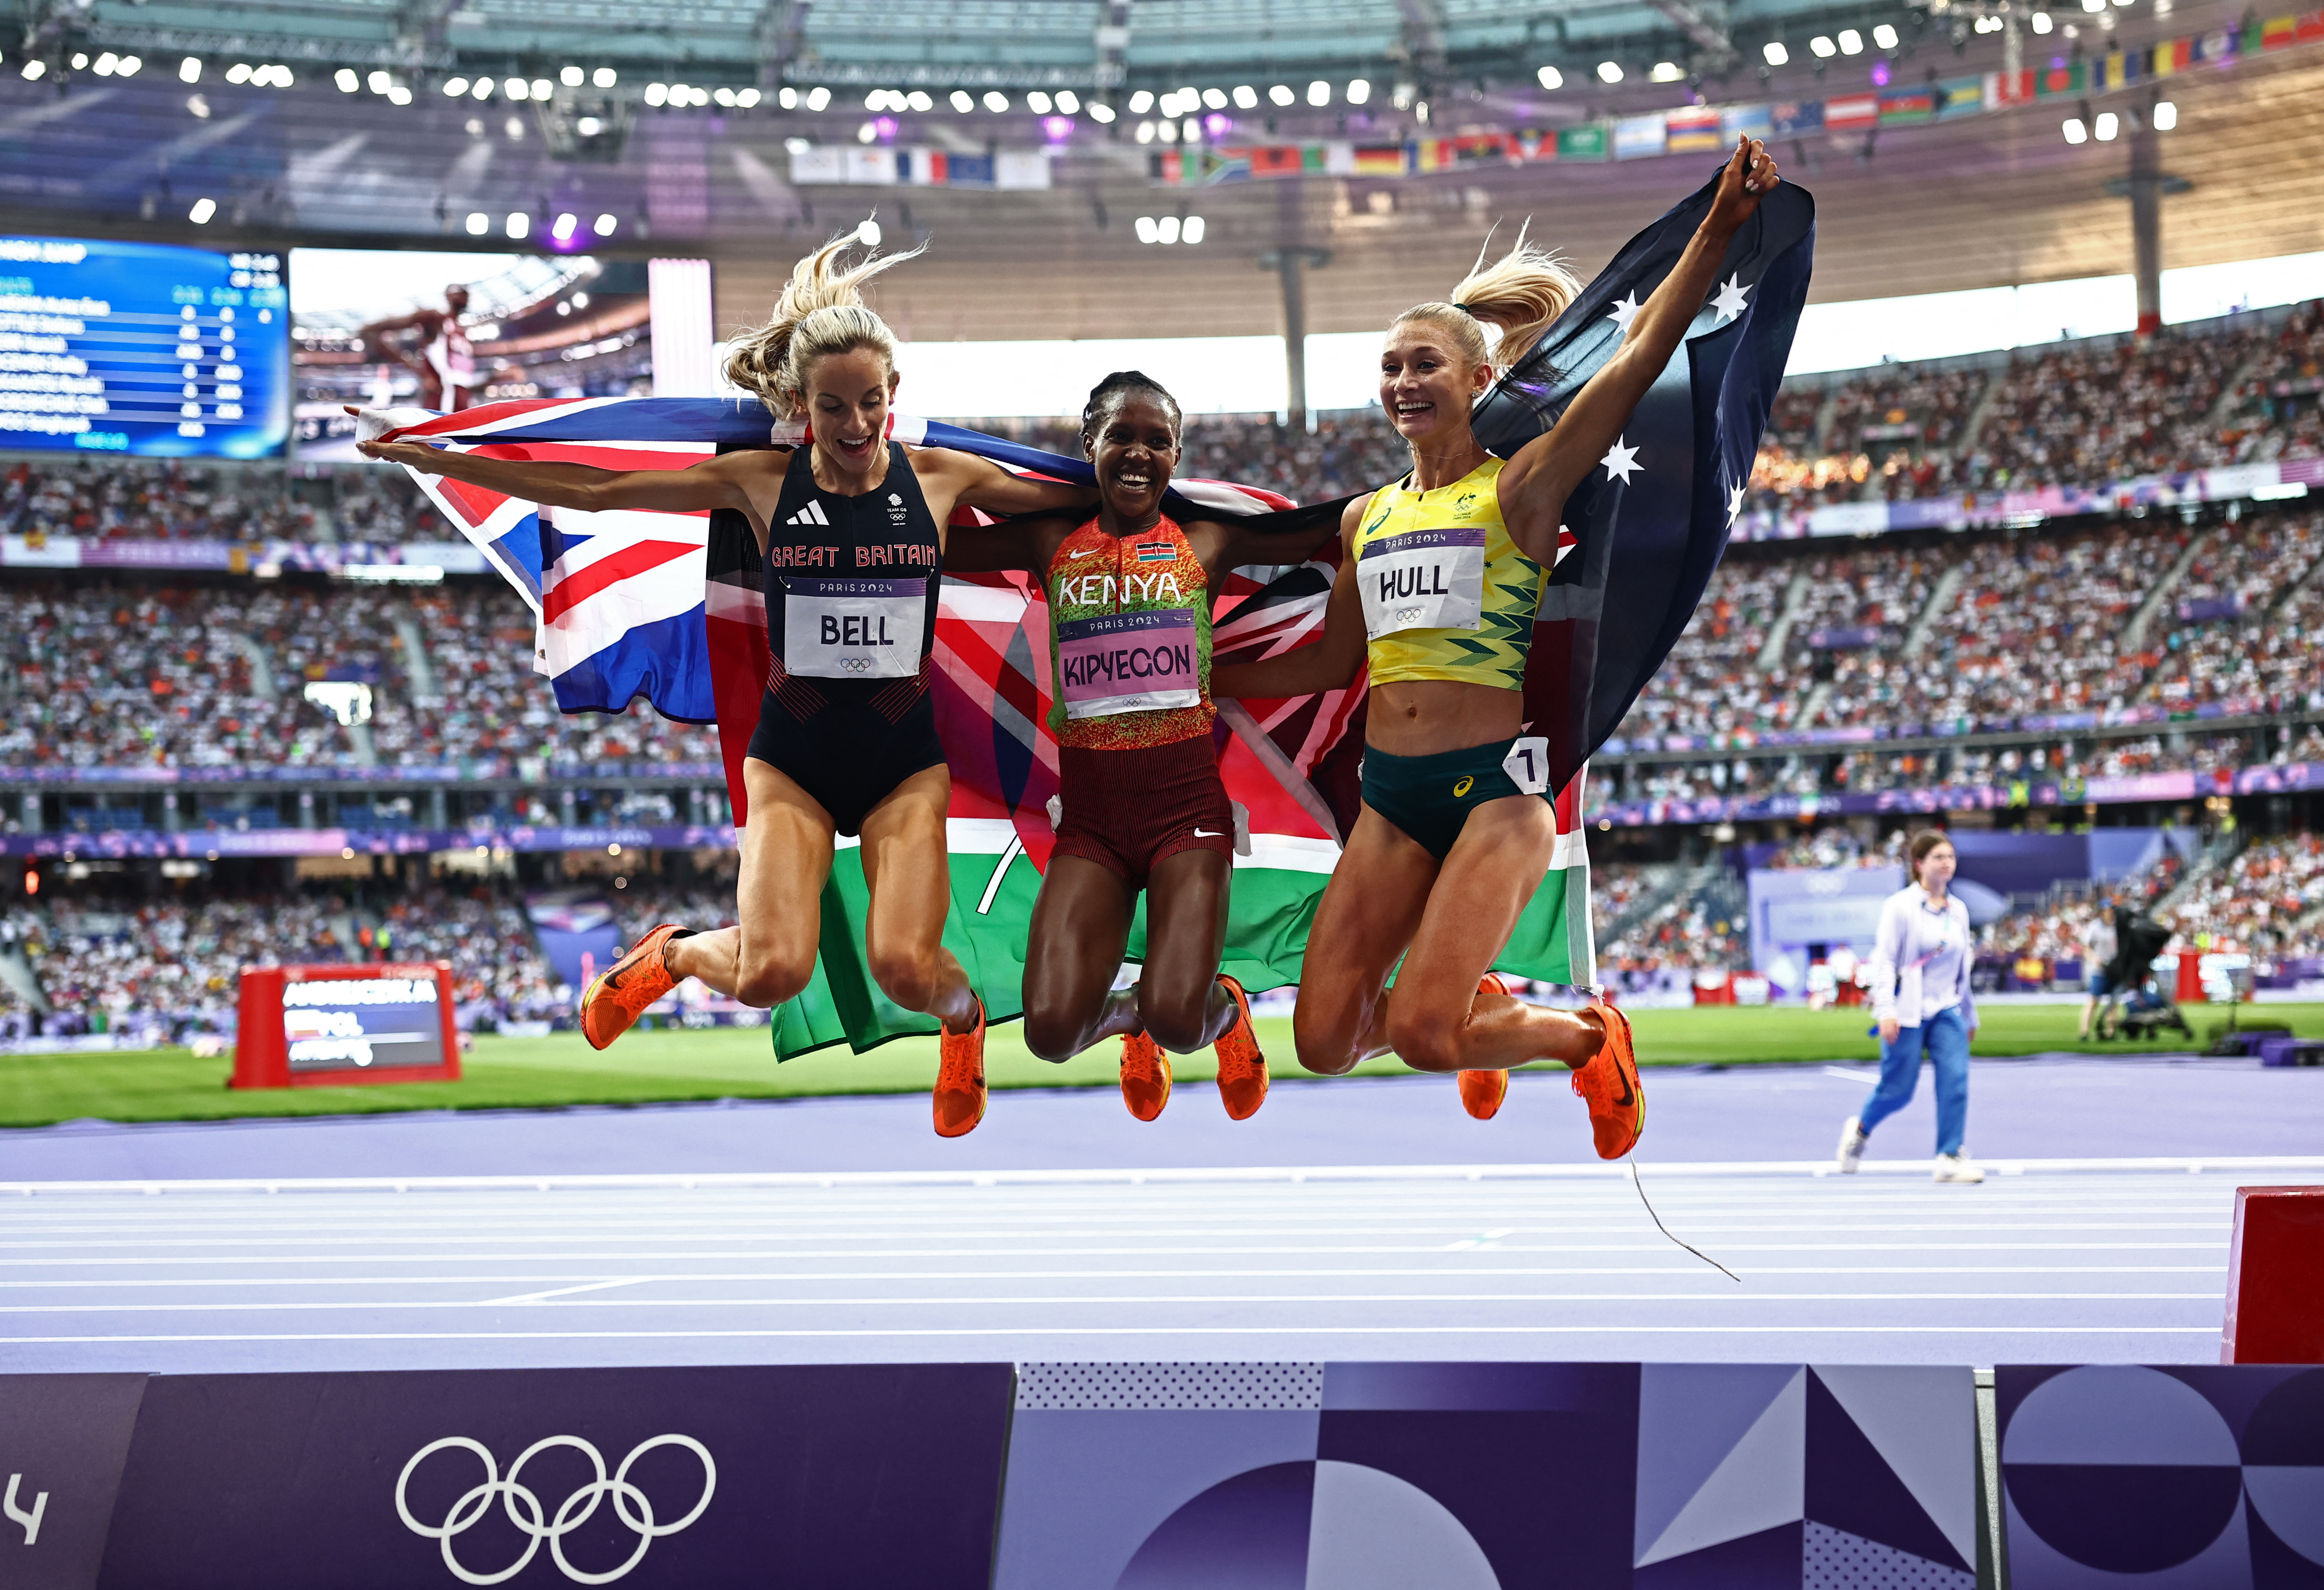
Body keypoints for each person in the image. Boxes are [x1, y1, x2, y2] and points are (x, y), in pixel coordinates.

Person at [355, 236, 1098, 1136]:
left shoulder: (940, 477)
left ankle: (962, 1020)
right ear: (799, 403)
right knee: (770, 974)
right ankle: (670, 955)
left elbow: (1084, 502)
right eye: (834, 407)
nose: (858, 425)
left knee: (909, 969)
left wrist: (1196, 506)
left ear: (894, 394)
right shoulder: (759, 482)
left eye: (872, 402)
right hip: (794, 758)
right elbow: (594, 492)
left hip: (904, 759)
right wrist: (444, 460)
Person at [1212, 135, 1781, 1158]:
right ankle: (1472, 997)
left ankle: (1582, 1034)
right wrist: (1206, 677)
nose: (1401, 381)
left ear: (1477, 378)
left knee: (1428, 1038)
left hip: (1495, 796)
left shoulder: (1521, 487)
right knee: (1325, 1039)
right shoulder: (1367, 519)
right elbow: (1328, 663)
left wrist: (1719, 225)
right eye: (1388, 367)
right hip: (1392, 800)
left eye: (1423, 363)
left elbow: (1642, 348)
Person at [943, 372, 1336, 1122]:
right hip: (1091, 823)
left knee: (1182, 1020)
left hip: (1186, 814)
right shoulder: (1050, 539)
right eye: (1122, 436)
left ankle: (1222, 1012)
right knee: (1053, 1034)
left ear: (1177, 455)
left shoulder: (1208, 539)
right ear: (1090, 445)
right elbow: (923, 548)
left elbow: (1334, 530)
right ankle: (1131, 1023)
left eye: (1158, 441)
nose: (1138, 454)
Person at [1837, 830, 1984, 1184]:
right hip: (1906, 1010)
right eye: (1938, 857)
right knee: (1897, 1090)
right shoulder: (1900, 907)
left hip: (1947, 1010)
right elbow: (1886, 962)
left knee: (1956, 1081)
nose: (1946, 863)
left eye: (1950, 856)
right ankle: (1859, 1131)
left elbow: (1961, 968)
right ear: (1919, 864)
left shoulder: (1959, 911)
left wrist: (1969, 1013)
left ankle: (1949, 1155)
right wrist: (1885, 1010)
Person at [360, 284, 480, 412]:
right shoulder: (435, 319)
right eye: (457, 293)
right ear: (447, 296)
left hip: (461, 396)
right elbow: (369, 332)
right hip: (442, 395)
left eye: (464, 294)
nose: (462, 297)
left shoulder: (461, 331)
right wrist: (420, 372)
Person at [2078, 901, 2119, 1041]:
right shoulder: (2095, 927)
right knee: (2094, 1000)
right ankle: (2084, 1032)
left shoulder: (2118, 926)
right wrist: (2095, 959)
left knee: (2114, 1002)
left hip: (2114, 968)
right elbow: (2086, 948)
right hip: (2100, 969)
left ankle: (2111, 1031)